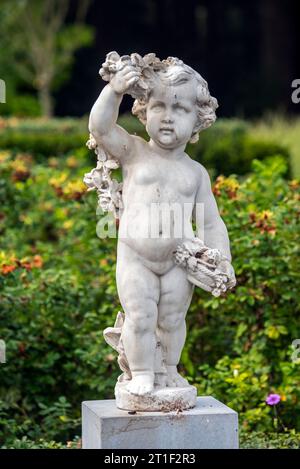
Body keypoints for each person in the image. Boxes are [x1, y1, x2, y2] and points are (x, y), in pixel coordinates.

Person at [89, 53, 235, 395]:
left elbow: (211, 222)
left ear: (199, 119)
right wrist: (113, 92)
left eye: (180, 109)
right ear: (143, 110)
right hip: (136, 256)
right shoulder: (134, 151)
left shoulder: (195, 173)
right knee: (139, 316)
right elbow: (100, 128)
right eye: (158, 107)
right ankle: (141, 372)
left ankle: (168, 371)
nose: (167, 118)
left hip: (177, 260)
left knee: (171, 321)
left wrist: (222, 259)